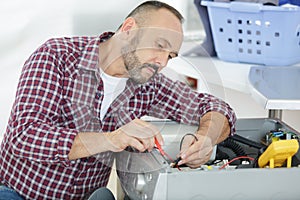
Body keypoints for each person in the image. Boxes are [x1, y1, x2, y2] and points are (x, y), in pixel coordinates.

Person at [0, 1, 236, 199]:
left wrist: (206, 139)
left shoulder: (149, 84)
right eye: (159, 46)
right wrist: (112, 139)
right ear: (129, 29)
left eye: (170, 55)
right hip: (18, 193)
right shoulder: (56, 56)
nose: (162, 62)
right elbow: (24, 136)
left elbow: (218, 108)